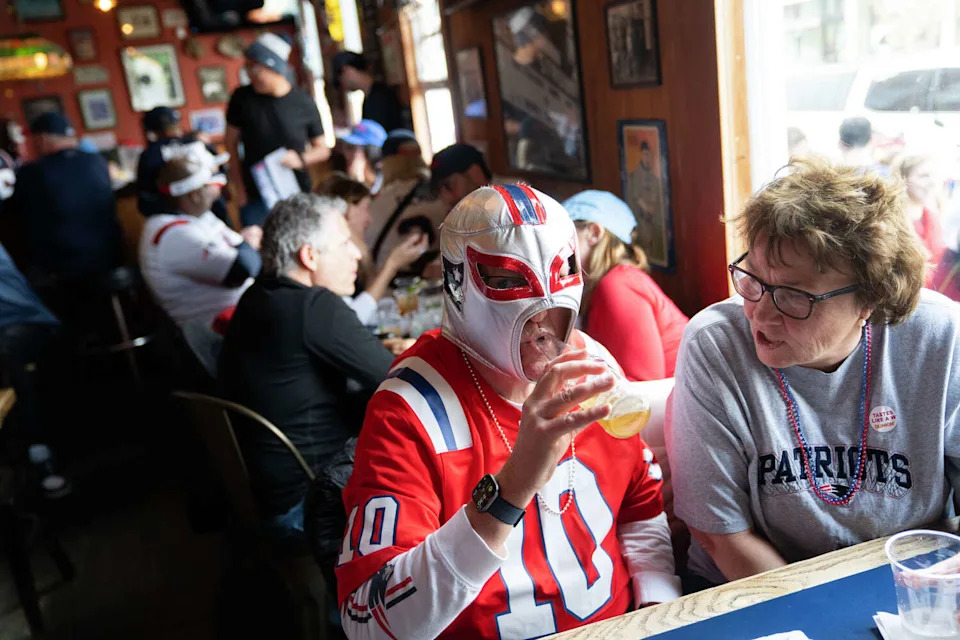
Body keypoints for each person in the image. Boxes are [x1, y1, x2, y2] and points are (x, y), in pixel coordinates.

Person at [336, 184, 679, 638]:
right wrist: (512, 487)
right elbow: (368, 621)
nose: (542, 321)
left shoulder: (588, 365)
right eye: (504, 281)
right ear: (457, 285)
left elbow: (640, 507)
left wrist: (657, 608)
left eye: (560, 281)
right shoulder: (411, 408)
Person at [667, 158, 960, 590]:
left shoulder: (939, 337)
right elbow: (720, 536)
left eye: (793, 295)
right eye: (754, 280)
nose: (760, 315)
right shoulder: (715, 345)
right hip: (751, 589)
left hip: (907, 580)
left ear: (869, 300)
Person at [218, 194, 394, 537]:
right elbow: (402, 378)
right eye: (345, 243)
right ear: (309, 256)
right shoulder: (314, 306)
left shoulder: (258, 296)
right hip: (311, 503)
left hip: (268, 497)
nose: (356, 253)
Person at [563, 190, 688, 380]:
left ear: (594, 233)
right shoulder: (605, 283)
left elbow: (642, 383)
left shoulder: (617, 284)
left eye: (564, 235)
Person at [139, 145, 260, 332]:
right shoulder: (172, 234)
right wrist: (249, 244)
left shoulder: (200, 216)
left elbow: (246, 253)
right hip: (219, 330)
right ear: (195, 195)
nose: (216, 191)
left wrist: (247, 247)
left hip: (242, 315)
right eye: (209, 186)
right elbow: (243, 268)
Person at [226, 33, 330, 230]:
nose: (250, 74)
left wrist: (300, 160)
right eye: (247, 67)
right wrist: (239, 189)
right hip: (254, 195)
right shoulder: (241, 98)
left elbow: (323, 149)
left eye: (255, 68)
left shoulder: (304, 102)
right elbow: (230, 143)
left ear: (273, 67)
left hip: (296, 192)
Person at [6, 113, 121, 289]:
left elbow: (13, 215)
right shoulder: (97, 161)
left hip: (64, 270)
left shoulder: (33, 172)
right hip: (112, 257)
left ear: (41, 139)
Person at [318, 173, 427, 326]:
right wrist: (392, 265)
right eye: (365, 208)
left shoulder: (358, 250)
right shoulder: (331, 256)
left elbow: (368, 300)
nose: (369, 219)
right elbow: (352, 318)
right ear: (347, 208)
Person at [135, 106, 233, 228]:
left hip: (178, 223)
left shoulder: (150, 155)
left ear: (152, 131)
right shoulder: (199, 142)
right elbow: (223, 177)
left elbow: (145, 201)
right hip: (214, 215)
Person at [367, 129, 447, 272]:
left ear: (387, 163)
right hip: (442, 280)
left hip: (396, 287)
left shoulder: (376, 205)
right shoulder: (444, 195)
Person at [332, 51, 411, 133]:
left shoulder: (378, 98)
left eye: (340, 79)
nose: (343, 85)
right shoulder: (374, 95)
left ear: (347, 70)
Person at [896, 154, 945, 281]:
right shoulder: (892, 219)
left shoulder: (932, 216)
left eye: (933, 175)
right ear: (904, 178)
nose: (932, 182)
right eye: (924, 176)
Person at [430, 142, 492, 209]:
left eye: (448, 185)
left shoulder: (502, 205)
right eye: (438, 190)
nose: (446, 198)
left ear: (475, 174)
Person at [337, 119, 387, 192]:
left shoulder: (388, 185)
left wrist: (356, 181)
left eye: (351, 148)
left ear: (372, 153)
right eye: (346, 147)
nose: (346, 154)